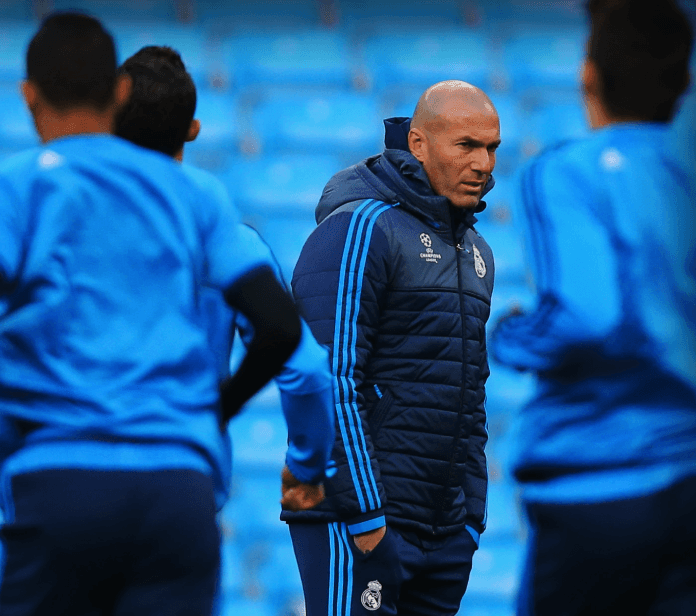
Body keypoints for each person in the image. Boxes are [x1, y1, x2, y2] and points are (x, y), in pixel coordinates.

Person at [0, 14, 309, 616]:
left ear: (28, 94)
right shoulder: (196, 195)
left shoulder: (11, 186)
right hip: (178, 487)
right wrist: (215, 410)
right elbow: (280, 327)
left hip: (60, 477)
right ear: (118, 91)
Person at [489, 1, 696, 614]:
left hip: (601, 484)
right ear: (683, 82)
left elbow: (586, 315)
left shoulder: (568, 172)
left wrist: (510, 337)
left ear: (588, 78)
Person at [286, 80, 501, 616]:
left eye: (492, 148)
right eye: (466, 146)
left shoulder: (477, 253)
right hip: (362, 521)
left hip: (445, 531)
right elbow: (331, 379)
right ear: (419, 143)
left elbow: (470, 395)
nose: (483, 163)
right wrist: (365, 515)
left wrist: (470, 516)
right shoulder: (360, 228)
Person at [112, 44, 334, 512]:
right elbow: (308, 371)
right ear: (192, 130)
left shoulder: (63, 232)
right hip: (184, 474)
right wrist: (307, 466)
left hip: (78, 477)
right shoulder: (232, 245)